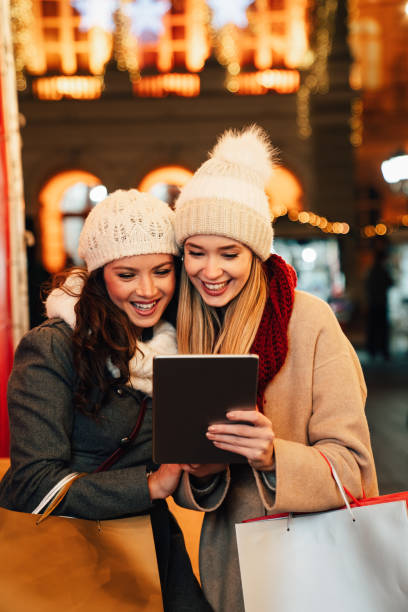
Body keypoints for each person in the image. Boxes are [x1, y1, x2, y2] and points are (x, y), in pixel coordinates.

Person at [172, 125, 379, 612]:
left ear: (256, 253)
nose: (210, 270)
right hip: (229, 571)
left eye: (229, 253)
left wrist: (272, 457)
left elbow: (354, 469)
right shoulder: (185, 330)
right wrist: (200, 474)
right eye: (195, 252)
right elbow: (182, 479)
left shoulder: (308, 321)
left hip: (312, 570)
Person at [0, 189, 212, 612]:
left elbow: (188, 469)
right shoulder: (53, 347)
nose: (148, 289)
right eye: (127, 274)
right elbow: (29, 484)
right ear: (99, 276)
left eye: (162, 270)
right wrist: (148, 485)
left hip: (153, 547)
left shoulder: (178, 348)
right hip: (69, 555)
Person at [365, 246, 394, 360]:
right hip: (381, 303)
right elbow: (390, 283)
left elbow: (367, 286)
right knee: (382, 328)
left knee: (373, 328)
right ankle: (383, 351)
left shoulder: (371, 271)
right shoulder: (383, 270)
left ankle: (372, 351)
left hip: (373, 303)